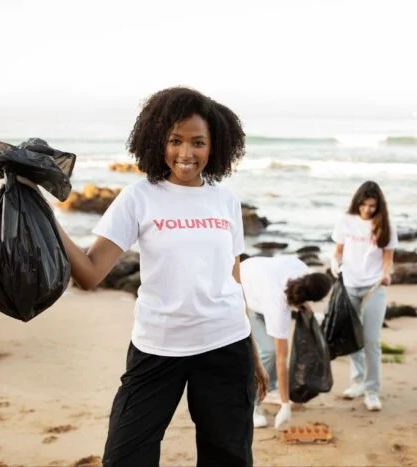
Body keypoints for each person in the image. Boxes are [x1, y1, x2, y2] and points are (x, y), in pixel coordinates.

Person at [18, 87, 269, 467]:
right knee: (124, 457)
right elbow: (89, 273)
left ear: (214, 146)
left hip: (225, 343)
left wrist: (252, 350)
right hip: (158, 346)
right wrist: (45, 212)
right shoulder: (139, 197)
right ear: (157, 141)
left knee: (229, 458)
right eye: (175, 141)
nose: (186, 154)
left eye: (198, 143)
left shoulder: (226, 201)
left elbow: (232, 279)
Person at [239, 256, 332, 429]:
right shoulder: (278, 304)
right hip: (244, 292)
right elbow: (282, 360)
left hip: (257, 273)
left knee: (272, 351)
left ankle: (271, 387)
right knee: (268, 352)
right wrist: (285, 405)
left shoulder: (302, 269)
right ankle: (252, 405)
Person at [330, 180, 397, 411]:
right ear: (357, 202)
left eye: (372, 206)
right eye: (364, 205)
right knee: (353, 338)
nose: (367, 209)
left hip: (374, 287)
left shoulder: (385, 224)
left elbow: (388, 259)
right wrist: (334, 264)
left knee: (371, 341)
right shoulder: (346, 221)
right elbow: (338, 251)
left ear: (378, 206)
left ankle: (372, 390)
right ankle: (358, 382)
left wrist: (387, 274)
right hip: (349, 285)